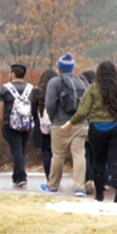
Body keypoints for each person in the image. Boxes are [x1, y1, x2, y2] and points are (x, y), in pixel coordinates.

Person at [61, 60, 117, 203]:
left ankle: (99, 194)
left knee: (98, 161)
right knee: (116, 160)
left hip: (98, 128)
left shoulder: (93, 88)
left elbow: (83, 111)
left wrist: (71, 123)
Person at [42, 53, 90, 196]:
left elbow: (49, 104)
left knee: (57, 155)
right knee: (79, 155)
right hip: (81, 123)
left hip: (60, 124)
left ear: (59, 68)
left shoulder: (54, 82)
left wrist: (54, 118)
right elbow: (88, 103)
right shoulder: (82, 81)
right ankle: (80, 187)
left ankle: (53, 185)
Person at [0, 63, 34, 188]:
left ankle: (21, 176)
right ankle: (16, 176)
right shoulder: (31, 89)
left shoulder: (4, 89)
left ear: (13, 74)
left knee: (16, 150)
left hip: (10, 124)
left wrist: (2, 123)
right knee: (20, 149)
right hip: (27, 124)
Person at [31, 68, 56, 180]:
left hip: (41, 126)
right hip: (57, 125)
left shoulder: (36, 92)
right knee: (56, 153)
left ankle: (49, 177)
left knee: (46, 151)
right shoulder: (57, 91)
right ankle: (56, 177)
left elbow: (32, 112)